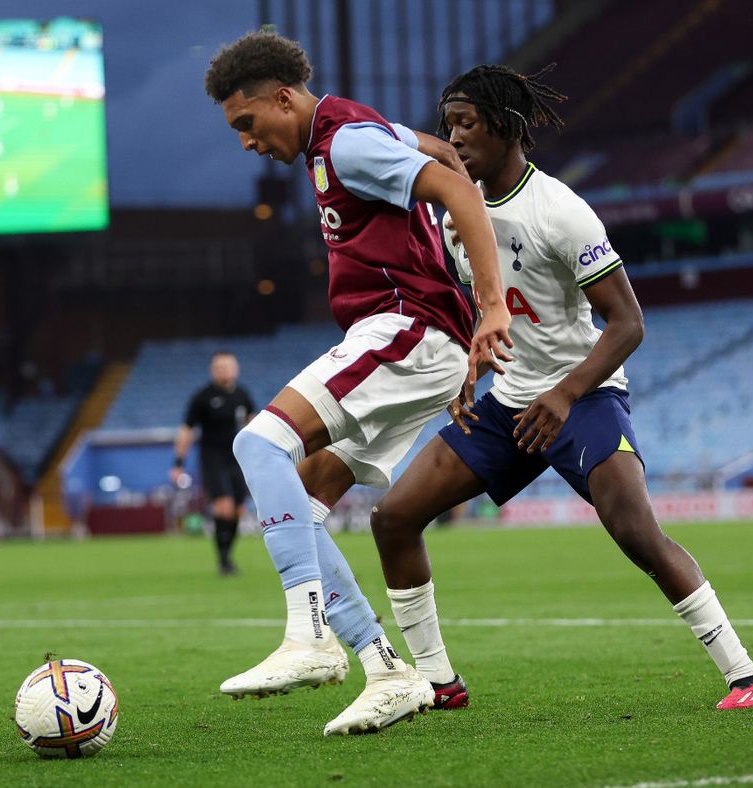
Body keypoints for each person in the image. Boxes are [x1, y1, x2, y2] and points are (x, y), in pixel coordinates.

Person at [369, 64, 753, 712]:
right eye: (448, 124)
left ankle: (748, 675)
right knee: (393, 518)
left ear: (506, 127)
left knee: (636, 532)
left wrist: (564, 395)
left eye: (466, 124)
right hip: (510, 405)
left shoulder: (560, 211)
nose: (455, 138)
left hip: (583, 398)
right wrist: (465, 365)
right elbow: (477, 303)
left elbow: (628, 323)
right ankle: (440, 685)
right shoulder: (454, 212)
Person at [204, 32, 513, 735]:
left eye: (247, 123)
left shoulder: (345, 144)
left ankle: (309, 636)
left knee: (260, 445)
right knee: (307, 495)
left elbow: (453, 185)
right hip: (415, 339)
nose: (247, 143)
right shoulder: (346, 128)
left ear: (283, 97)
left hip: (407, 327)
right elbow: (435, 148)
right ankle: (386, 669)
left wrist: (491, 305)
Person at [171, 352, 256, 575]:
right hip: (213, 459)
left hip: (237, 458)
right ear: (212, 370)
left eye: (228, 366)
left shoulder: (242, 394)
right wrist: (178, 462)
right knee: (224, 507)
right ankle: (223, 560)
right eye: (219, 367)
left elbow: (254, 421)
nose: (224, 370)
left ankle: (227, 554)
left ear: (236, 369)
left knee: (238, 510)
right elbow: (186, 431)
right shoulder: (203, 397)